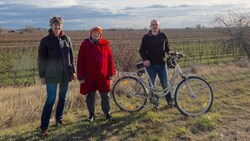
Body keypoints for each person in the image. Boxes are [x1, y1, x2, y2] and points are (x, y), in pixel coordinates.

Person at [38, 16, 76, 136]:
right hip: (51, 75)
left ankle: (59, 119)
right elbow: (41, 60)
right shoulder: (45, 41)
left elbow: (71, 56)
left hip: (65, 73)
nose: (57, 27)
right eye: (55, 25)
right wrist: (42, 76)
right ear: (51, 26)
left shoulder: (66, 39)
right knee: (51, 99)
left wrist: (73, 71)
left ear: (61, 26)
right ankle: (44, 127)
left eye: (59, 25)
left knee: (63, 97)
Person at [77, 26, 115, 122]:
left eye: (98, 33)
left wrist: (111, 72)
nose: (96, 35)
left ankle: (107, 113)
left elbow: (110, 59)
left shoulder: (105, 45)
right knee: (90, 96)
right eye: (94, 33)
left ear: (100, 35)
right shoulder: (85, 45)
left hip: (103, 75)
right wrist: (80, 75)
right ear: (91, 34)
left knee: (105, 96)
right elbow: (80, 61)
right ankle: (91, 114)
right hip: (89, 75)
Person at [139, 19, 173, 107]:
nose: (154, 26)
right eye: (153, 24)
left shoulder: (163, 35)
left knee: (165, 84)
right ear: (150, 26)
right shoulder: (146, 37)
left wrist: (170, 52)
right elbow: (141, 50)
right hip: (150, 66)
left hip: (162, 64)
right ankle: (155, 103)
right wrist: (145, 59)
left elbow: (167, 48)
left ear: (159, 26)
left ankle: (170, 101)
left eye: (156, 25)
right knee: (152, 86)